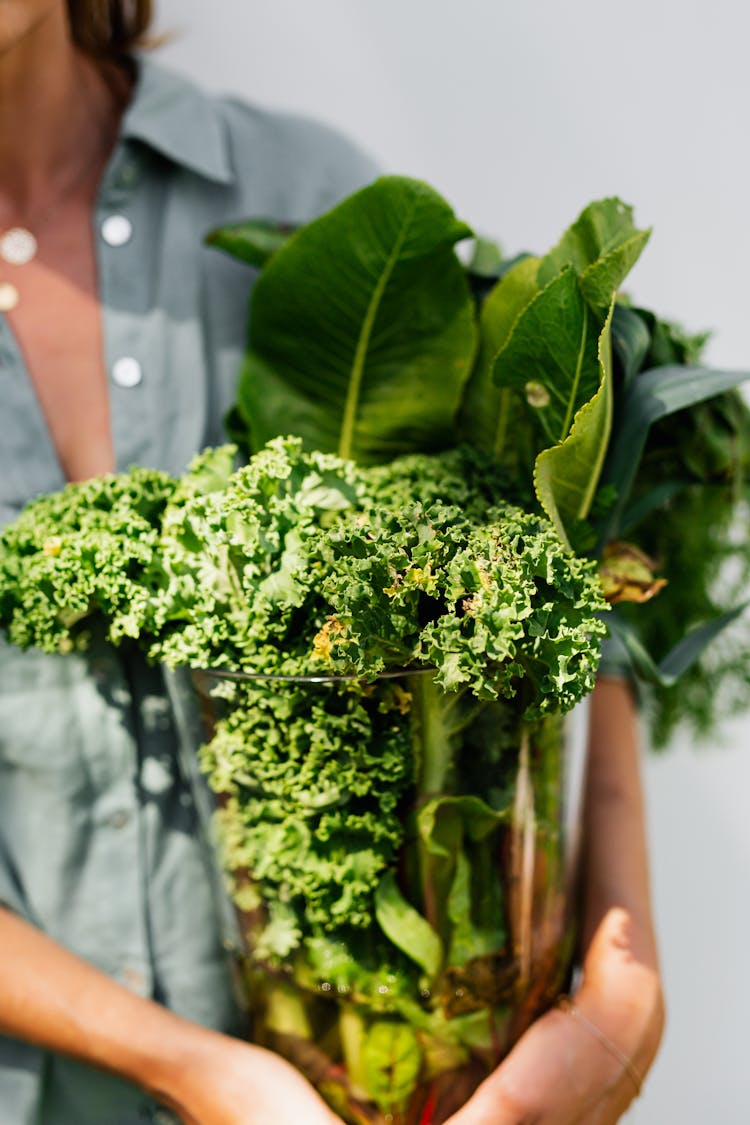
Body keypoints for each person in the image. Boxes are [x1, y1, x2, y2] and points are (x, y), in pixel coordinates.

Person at [0, 3, 664, 1123]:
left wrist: (620, 995)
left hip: (399, 1083)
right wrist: (195, 1069)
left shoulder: (313, 199)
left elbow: (553, 563)